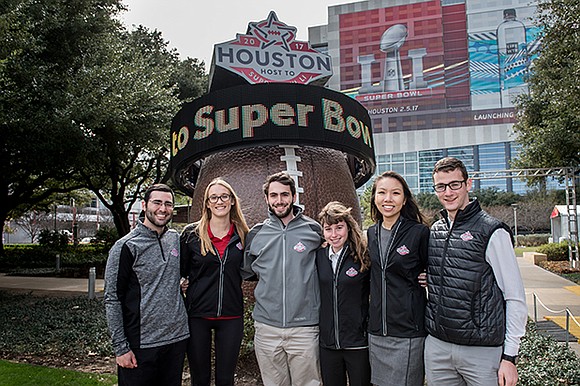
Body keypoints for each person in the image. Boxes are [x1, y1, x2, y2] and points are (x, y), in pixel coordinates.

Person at [425, 157, 527, 386]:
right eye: (441, 186)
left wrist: (510, 356)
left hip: (481, 351)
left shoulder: (492, 231)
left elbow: (514, 297)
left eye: (454, 184)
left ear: (468, 184)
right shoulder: (436, 230)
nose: (448, 192)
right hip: (438, 347)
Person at [242, 171, 324, 386]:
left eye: (285, 195)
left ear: (294, 197)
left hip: (304, 328)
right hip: (267, 328)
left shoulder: (314, 230)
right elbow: (250, 272)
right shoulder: (256, 234)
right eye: (274, 195)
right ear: (267, 199)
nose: (280, 201)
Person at [104, 183, 189, 386]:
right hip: (141, 344)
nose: (163, 208)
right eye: (157, 202)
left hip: (176, 340)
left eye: (168, 204)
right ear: (144, 205)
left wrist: (182, 284)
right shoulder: (125, 246)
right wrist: (121, 348)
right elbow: (112, 298)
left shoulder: (176, 239)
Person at [180, 178, 250, 386]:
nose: (219, 201)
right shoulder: (191, 235)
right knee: (200, 378)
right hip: (197, 315)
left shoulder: (244, 235)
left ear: (232, 201)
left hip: (231, 314)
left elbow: (254, 269)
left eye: (224, 196)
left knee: (225, 379)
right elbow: (180, 273)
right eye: (214, 197)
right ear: (208, 203)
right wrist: (183, 283)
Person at [366, 171, 430, 386]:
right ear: (374, 198)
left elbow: (438, 266)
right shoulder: (370, 234)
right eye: (382, 193)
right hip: (377, 330)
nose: (388, 199)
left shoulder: (419, 232)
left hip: (408, 331)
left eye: (395, 193)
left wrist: (432, 276)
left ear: (404, 200)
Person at [315, 201, 371, 386]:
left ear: (348, 227)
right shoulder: (319, 256)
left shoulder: (362, 255)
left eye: (339, 228)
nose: (334, 234)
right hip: (328, 343)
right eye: (328, 229)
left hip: (357, 341)